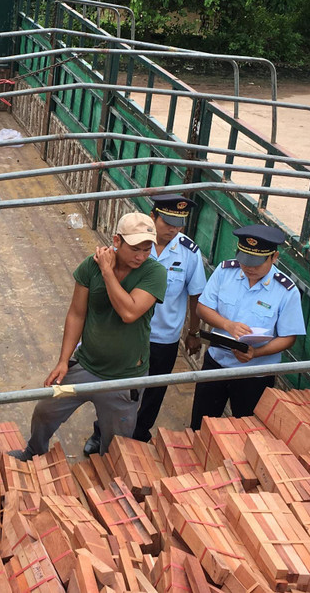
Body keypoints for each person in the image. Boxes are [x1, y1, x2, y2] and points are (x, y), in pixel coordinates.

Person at [9, 213, 168, 460]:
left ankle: (109, 480)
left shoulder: (154, 272)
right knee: (45, 410)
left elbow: (129, 312)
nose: (141, 256)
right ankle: (33, 452)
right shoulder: (89, 266)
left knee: (116, 444)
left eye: (147, 249)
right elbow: (76, 314)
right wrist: (63, 361)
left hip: (124, 378)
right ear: (117, 240)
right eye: (135, 249)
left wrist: (107, 272)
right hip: (84, 366)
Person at [82, 194, 206, 453]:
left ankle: (138, 437)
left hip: (163, 338)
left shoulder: (189, 253)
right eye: (168, 222)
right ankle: (101, 433)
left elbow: (195, 295)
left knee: (153, 393)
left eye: (179, 223)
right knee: (117, 390)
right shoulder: (128, 248)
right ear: (153, 217)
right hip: (129, 334)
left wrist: (193, 332)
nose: (174, 229)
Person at [190, 224, 306, 429]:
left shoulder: (286, 291)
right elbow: (202, 308)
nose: (249, 267)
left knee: (249, 433)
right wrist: (227, 324)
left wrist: (256, 353)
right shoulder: (226, 271)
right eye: (245, 260)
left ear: (274, 257)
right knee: (201, 426)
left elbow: (289, 337)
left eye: (256, 263)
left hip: (254, 376)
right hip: (216, 364)